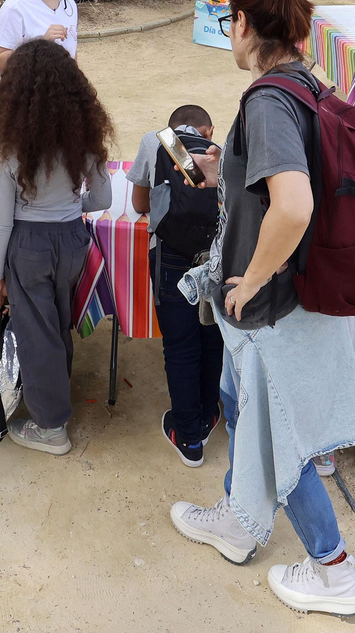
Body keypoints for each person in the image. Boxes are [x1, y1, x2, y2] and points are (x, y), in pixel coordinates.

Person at [167, 0, 355, 618]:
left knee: (280, 435)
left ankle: (334, 571)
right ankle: (236, 516)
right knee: (237, 398)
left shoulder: (269, 99)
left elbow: (293, 204)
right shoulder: (306, 82)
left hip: (270, 305)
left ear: (245, 24)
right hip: (280, 300)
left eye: (230, 23)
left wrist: (250, 278)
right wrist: (216, 170)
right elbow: (270, 186)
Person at [0, 39, 113, 456]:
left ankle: (51, 427)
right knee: (56, 324)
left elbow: (2, 221)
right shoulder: (84, 137)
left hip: (27, 245)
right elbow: (101, 200)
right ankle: (54, 406)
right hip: (72, 239)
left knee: (35, 334)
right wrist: (69, 204)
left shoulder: (10, 147)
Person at [127, 104, 223, 467]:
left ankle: (188, 439)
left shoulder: (154, 142)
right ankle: (207, 414)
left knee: (180, 347)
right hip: (212, 260)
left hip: (170, 259)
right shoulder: (220, 152)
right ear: (208, 130)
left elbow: (139, 202)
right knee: (211, 339)